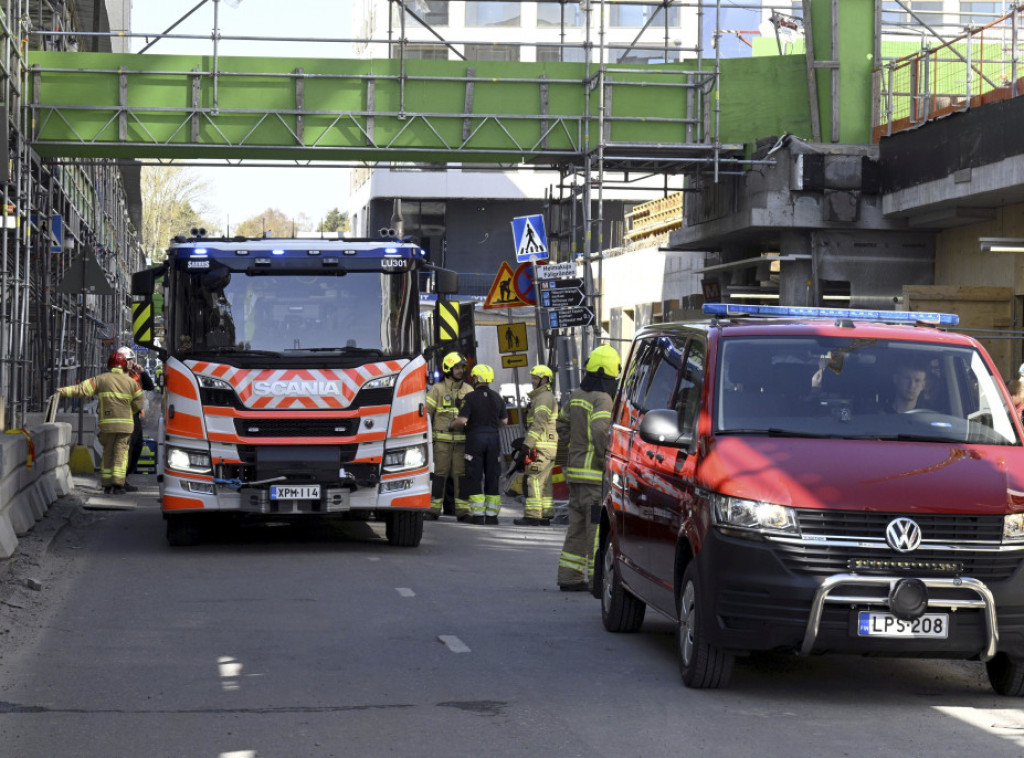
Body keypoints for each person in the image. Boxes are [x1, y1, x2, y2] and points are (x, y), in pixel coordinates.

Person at [555, 344, 618, 591]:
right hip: (594, 477)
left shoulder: (577, 396)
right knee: (595, 531)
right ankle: (596, 581)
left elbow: (562, 427)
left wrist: (575, 447)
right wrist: (605, 460)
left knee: (576, 527)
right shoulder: (603, 399)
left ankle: (569, 577)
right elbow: (601, 430)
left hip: (575, 475)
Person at [58, 350, 144, 495]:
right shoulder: (131, 383)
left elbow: (81, 390)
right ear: (123, 366)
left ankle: (106, 484)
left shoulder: (100, 379)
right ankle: (117, 485)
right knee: (121, 454)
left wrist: (62, 391)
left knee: (107, 453)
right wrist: (129, 410)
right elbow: (140, 403)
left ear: (109, 365)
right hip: (125, 425)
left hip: (107, 424)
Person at [452, 364, 508, 525]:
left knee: (475, 475)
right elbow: (504, 421)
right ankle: (491, 517)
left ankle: (478, 516)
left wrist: (452, 425)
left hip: (475, 439)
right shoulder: (498, 397)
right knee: (492, 475)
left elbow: (462, 421)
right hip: (493, 439)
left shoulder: (469, 398)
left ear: (476, 378)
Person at [426, 351, 474, 520]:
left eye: (462, 367)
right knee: (439, 476)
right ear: (448, 369)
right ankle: (433, 510)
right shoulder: (437, 390)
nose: (460, 371)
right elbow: (426, 415)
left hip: (461, 444)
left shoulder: (469, 390)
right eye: (456, 368)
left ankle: (463, 512)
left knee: (461, 478)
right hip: (441, 443)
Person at [515, 364, 558, 526]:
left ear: (545, 380)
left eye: (535, 378)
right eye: (532, 378)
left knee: (533, 479)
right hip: (548, 446)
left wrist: (527, 445)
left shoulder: (543, 398)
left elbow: (539, 424)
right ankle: (545, 514)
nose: (533, 381)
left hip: (541, 446)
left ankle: (533, 515)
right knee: (544, 482)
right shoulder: (544, 397)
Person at [117, 346, 155, 477]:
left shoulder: (134, 375)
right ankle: (118, 481)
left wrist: (143, 372)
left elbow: (150, 386)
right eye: (127, 360)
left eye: (131, 360)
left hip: (135, 417)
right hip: (123, 417)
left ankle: (125, 476)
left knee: (137, 447)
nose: (131, 362)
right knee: (126, 449)